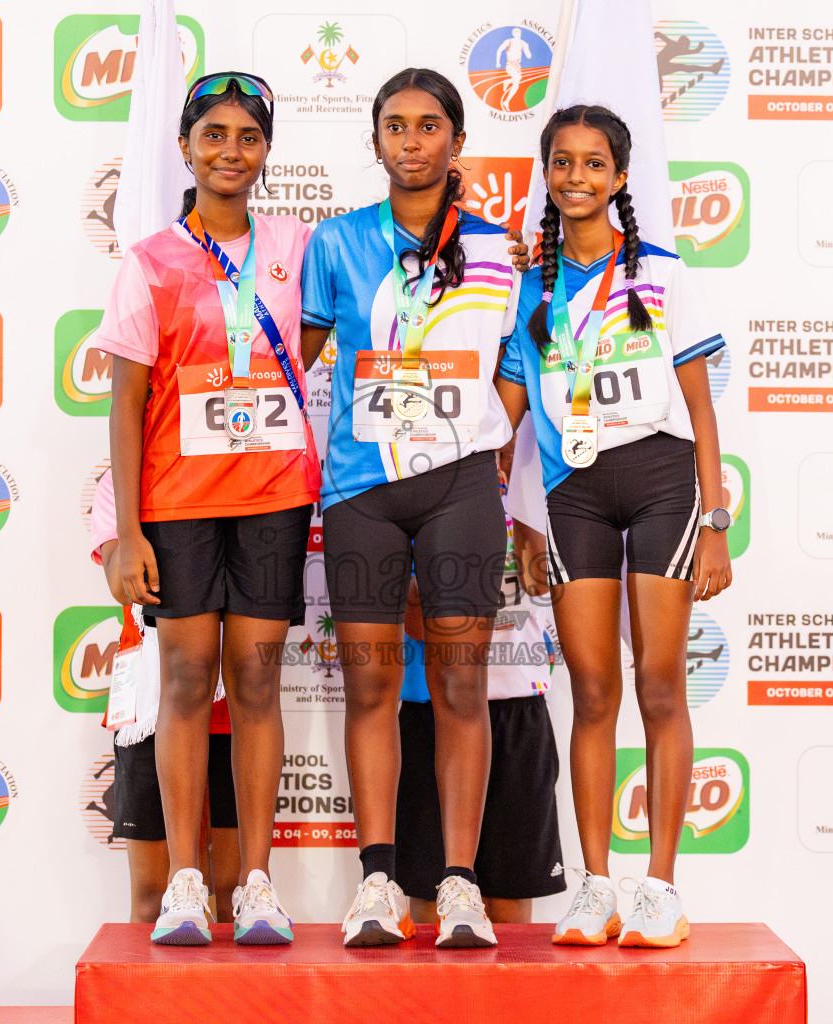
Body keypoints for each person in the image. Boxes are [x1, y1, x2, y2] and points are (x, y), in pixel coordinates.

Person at [495, 104, 732, 949]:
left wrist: (717, 522)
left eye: (595, 164)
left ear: (620, 178)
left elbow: (703, 414)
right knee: (592, 693)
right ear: (547, 174)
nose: (577, 178)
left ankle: (661, 887)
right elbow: (507, 420)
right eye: (561, 163)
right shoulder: (532, 288)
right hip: (574, 495)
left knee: (659, 685)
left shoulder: (663, 274)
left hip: (665, 483)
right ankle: (594, 888)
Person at [300, 67, 521, 949]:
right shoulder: (336, 241)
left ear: (456, 141)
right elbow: (290, 360)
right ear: (377, 140)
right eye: (395, 126)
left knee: (463, 683)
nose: (411, 140)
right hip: (361, 492)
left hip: (463, 488)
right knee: (372, 685)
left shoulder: (502, 249)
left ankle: (460, 884)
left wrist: (469, 435)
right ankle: (379, 882)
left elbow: (520, 366)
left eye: (430, 126)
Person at [99, 71, 319, 946]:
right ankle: (188, 880)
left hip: (272, 496)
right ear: (186, 147)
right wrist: (127, 530)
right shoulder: (151, 259)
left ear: (267, 151)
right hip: (180, 502)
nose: (232, 151)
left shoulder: (297, 245)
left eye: (249, 137)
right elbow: (123, 401)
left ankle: (257, 883)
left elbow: (397, 270)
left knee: (259, 681)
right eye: (214, 135)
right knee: (189, 681)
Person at [395, 449, 565, 928]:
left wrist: (522, 512)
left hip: (518, 704)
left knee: (512, 899)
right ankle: (432, 1005)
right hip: (432, 704)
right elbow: (413, 620)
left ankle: (510, 1006)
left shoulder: (537, 470)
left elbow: (544, 584)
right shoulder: (420, 471)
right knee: (430, 903)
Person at [88, 468, 241, 928]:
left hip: (229, 709)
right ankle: (145, 1000)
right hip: (149, 706)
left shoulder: (232, 473)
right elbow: (122, 584)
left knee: (233, 893)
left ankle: (235, 1002)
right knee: (152, 896)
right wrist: (150, 521)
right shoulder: (118, 484)